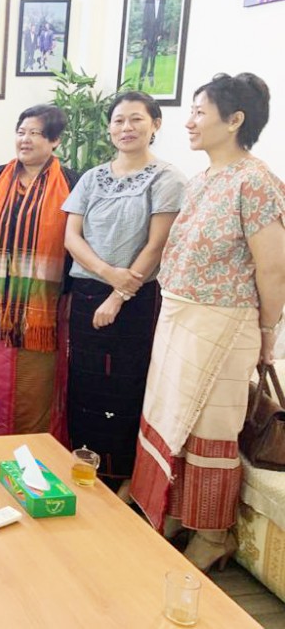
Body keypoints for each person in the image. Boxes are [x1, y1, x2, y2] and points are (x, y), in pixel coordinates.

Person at [130, 73, 285, 572]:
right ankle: (176, 512)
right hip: (180, 316)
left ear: (235, 120)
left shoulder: (256, 181)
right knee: (172, 414)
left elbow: (273, 267)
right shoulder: (201, 180)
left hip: (225, 324)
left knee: (209, 428)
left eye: (200, 111)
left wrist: (267, 334)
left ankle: (213, 533)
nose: (189, 120)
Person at [62, 92, 186, 494]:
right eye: (118, 120)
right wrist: (107, 275)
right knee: (84, 382)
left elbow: (157, 245)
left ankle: (124, 479)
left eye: (136, 119)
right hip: (86, 293)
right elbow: (71, 236)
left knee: (126, 384)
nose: (126, 128)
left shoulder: (167, 178)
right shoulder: (92, 176)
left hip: (136, 300)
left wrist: (119, 294)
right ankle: (86, 467)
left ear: (155, 124)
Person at [0, 105, 80, 437]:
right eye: (21, 132)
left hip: (41, 305)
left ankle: (34, 444)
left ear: (55, 140)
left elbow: (79, 237)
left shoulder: (71, 182)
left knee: (35, 381)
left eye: (35, 133)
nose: (25, 140)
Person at [138, 0, 165, 89]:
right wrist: (143, 36)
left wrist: (160, 34)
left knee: (153, 58)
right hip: (147, 34)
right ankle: (141, 79)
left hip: (156, 35)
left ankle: (151, 76)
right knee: (145, 58)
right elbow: (145, 16)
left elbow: (162, 17)